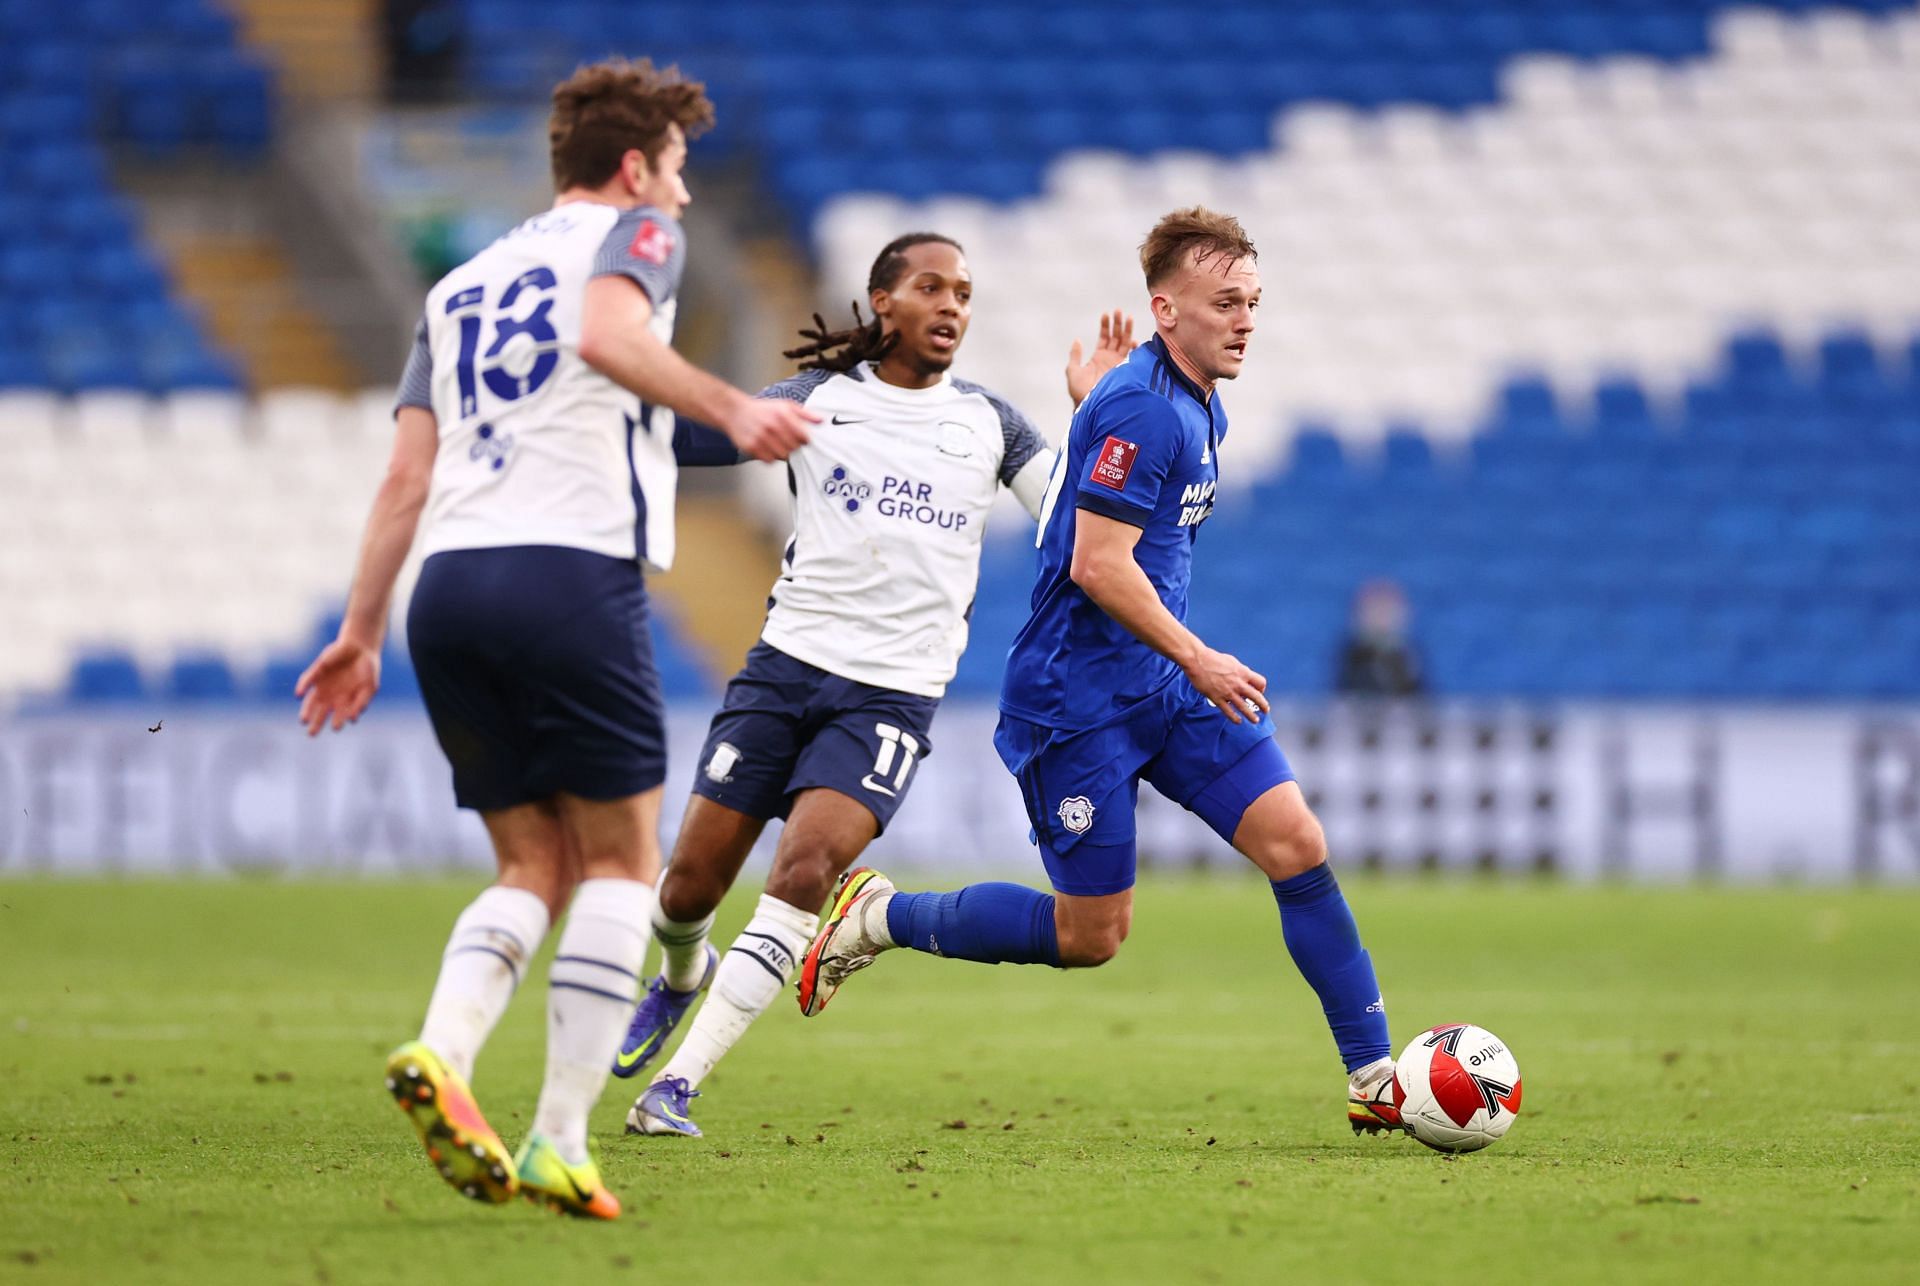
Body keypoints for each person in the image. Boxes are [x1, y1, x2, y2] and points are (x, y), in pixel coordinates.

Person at [293, 58, 814, 1220]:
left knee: (532, 865)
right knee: (624, 864)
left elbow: (404, 476)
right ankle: (559, 1138)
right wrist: (734, 406)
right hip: (569, 575)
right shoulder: (635, 240)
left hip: (451, 590)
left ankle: (441, 1051)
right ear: (635, 167)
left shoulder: (461, 282)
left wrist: (359, 630)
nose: (680, 199)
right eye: (676, 172)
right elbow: (605, 330)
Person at [796, 208, 1405, 1136]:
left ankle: (1376, 1077)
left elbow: (1122, 500)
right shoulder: (1143, 406)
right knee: (1092, 938)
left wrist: (1088, 414)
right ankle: (880, 916)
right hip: (1077, 704)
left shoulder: (1191, 401)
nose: (1245, 321)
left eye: (1253, 302)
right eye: (1224, 303)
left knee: (1298, 844)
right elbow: (1097, 562)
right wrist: (1201, 656)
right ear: (1165, 310)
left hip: (1158, 687)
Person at [608, 231, 1136, 1138]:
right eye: (932, 287)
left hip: (891, 697)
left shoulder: (992, 425)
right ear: (883, 301)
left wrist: (1097, 421)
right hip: (784, 673)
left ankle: (676, 1089)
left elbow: (1081, 527)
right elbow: (709, 436)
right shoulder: (819, 400)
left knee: (807, 870)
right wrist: (618, 402)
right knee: (689, 887)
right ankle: (680, 970)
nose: (953, 307)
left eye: (965, 293)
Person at [1335, 579, 1425, 696]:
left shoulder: (1409, 653)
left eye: (1386, 611)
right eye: (1376, 610)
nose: (1381, 618)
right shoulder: (1352, 654)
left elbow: (1420, 697)